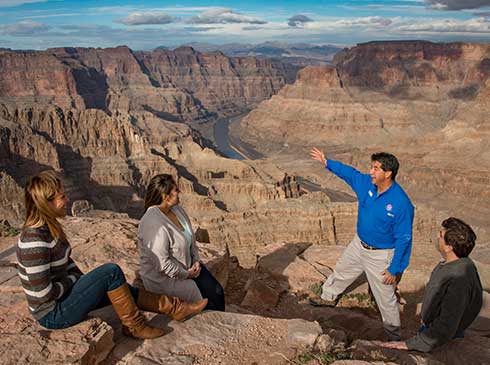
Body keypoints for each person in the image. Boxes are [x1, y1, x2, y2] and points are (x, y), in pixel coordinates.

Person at [16, 170, 207, 340]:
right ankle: (135, 326)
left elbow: (67, 263)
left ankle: (176, 308)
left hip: (64, 299)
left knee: (120, 288)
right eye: (61, 197)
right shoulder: (34, 240)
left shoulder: (49, 229)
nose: (67, 200)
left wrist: (80, 281)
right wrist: (75, 281)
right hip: (53, 314)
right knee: (111, 272)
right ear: (45, 203)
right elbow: (44, 295)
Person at [309, 148, 414, 341]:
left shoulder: (401, 203)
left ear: (388, 173)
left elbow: (404, 238)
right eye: (371, 167)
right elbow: (349, 174)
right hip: (359, 244)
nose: (371, 172)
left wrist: (395, 268)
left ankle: (393, 337)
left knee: (386, 298)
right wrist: (327, 162)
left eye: (375, 169)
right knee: (342, 270)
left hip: (381, 255)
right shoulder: (367, 184)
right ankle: (327, 297)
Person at [380, 217, 483, 352]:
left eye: (441, 234)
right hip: (434, 328)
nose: (437, 236)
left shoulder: (459, 279)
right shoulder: (456, 264)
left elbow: (447, 324)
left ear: (449, 247)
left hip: (439, 336)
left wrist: (413, 344)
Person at [138, 174, 225, 311]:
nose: (180, 192)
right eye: (176, 190)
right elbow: (163, 264)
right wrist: (187, 274)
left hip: (190, 267)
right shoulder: (153, 223)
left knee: (217, 292)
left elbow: (191, 240)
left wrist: (196, 260)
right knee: (205, 303)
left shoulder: (178, 210)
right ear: (166, 197)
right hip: (166, 279)